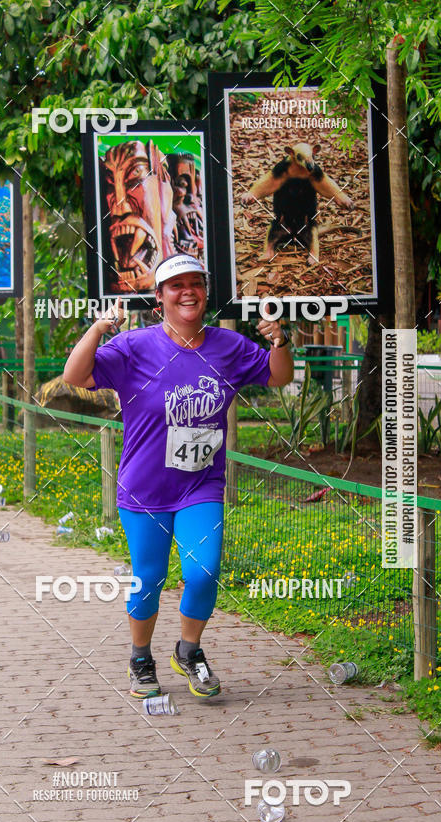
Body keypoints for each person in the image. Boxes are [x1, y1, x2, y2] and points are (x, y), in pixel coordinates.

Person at [63, 253, 293, 698]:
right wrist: (97, 329)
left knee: (204, 571)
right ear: (159, 298)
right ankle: (140, 658)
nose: (188, 291)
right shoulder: (135, 347)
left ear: (206, 293)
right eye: (176, 285)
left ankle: (189, 651)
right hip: (146, 488)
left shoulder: (228, 346)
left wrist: (278, 341)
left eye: (196, 283)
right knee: (149, 578)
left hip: (200, 485)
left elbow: (277, 377)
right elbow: (76, 375)